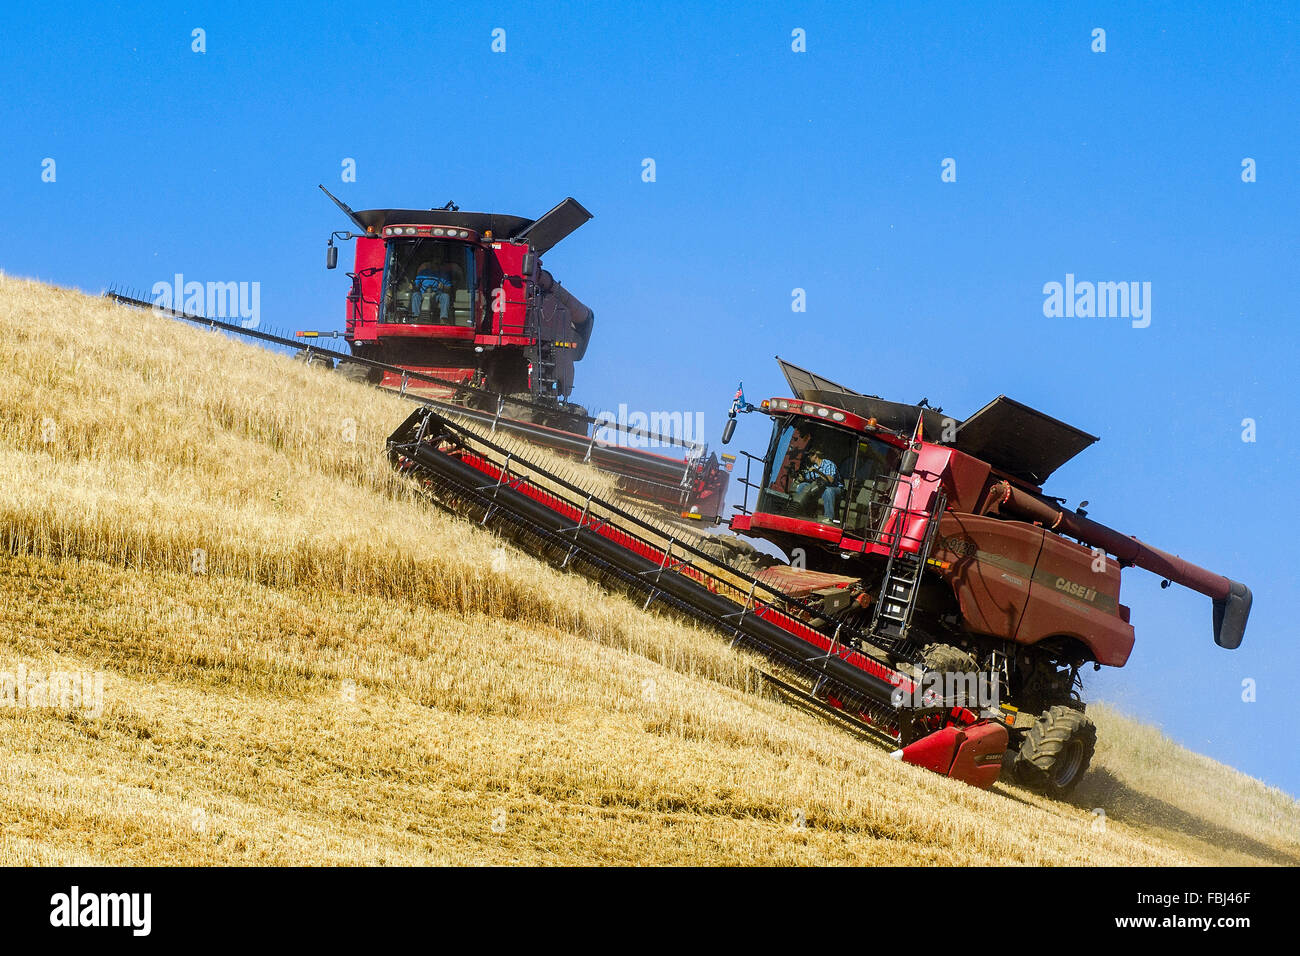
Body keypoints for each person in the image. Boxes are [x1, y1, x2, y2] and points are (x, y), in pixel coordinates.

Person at [794, 448, 841, 524]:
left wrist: (817, 471)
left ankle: (828, 518)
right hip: (820, 488)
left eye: (809, 456)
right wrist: (802, 478)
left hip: (835, 488)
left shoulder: (829, 464)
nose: (809, 457)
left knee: (828, 490)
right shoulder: (814, 466)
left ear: (815, 456)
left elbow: (830, 480)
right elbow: (809, 478)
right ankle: (797, 510)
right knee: (803, 485)